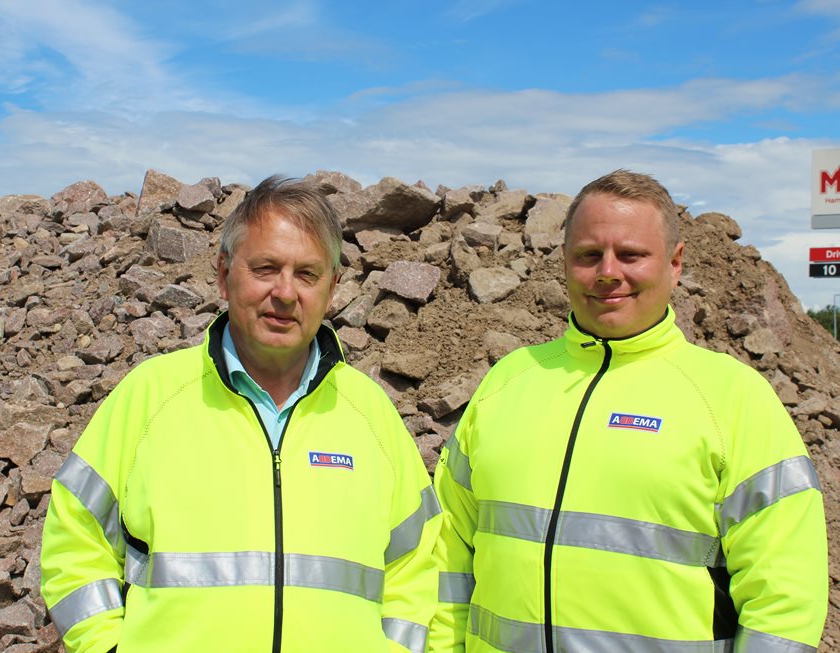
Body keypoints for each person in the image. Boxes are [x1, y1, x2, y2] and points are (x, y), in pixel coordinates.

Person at [430, 169, 827, 653]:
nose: (608, 272)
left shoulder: (733, 398)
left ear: (675, 263)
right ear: (565, 260)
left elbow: (785, 594)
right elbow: (448, 550)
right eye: (589, 255)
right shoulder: (508, 382)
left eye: (632, 254)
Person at [41, 175, 441, 653]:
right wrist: (105, 646)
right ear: (223, 273)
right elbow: (75, 539)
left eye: (308, 274)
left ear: (332, 288)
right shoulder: (150, 397)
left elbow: (416, 569)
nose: (286, 293)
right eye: (266, 268)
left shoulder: (369, 412)